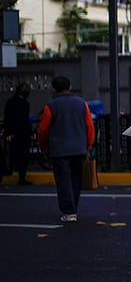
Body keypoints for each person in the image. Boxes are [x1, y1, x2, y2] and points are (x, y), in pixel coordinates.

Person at [37, 77, 95, 222]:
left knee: (63, 180)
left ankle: (69, 211)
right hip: (79, 149)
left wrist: (43, 146)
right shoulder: (82, 103)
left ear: (53, 89)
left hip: (59, 149)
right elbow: (89, 126)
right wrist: (88, 145)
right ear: (70, 86)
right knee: (76, 179)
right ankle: (73, 208)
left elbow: (43, 130)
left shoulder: (50, 106)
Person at [3, 83, 33, 185]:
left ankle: (13, 171)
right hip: (22, 132)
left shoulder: (11, 102)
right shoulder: (24, 103)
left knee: (13, 153)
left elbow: (7, 118)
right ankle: (21, 176)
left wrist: (8, 132)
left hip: (15, 133)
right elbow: (25, 119)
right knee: (23, 155)